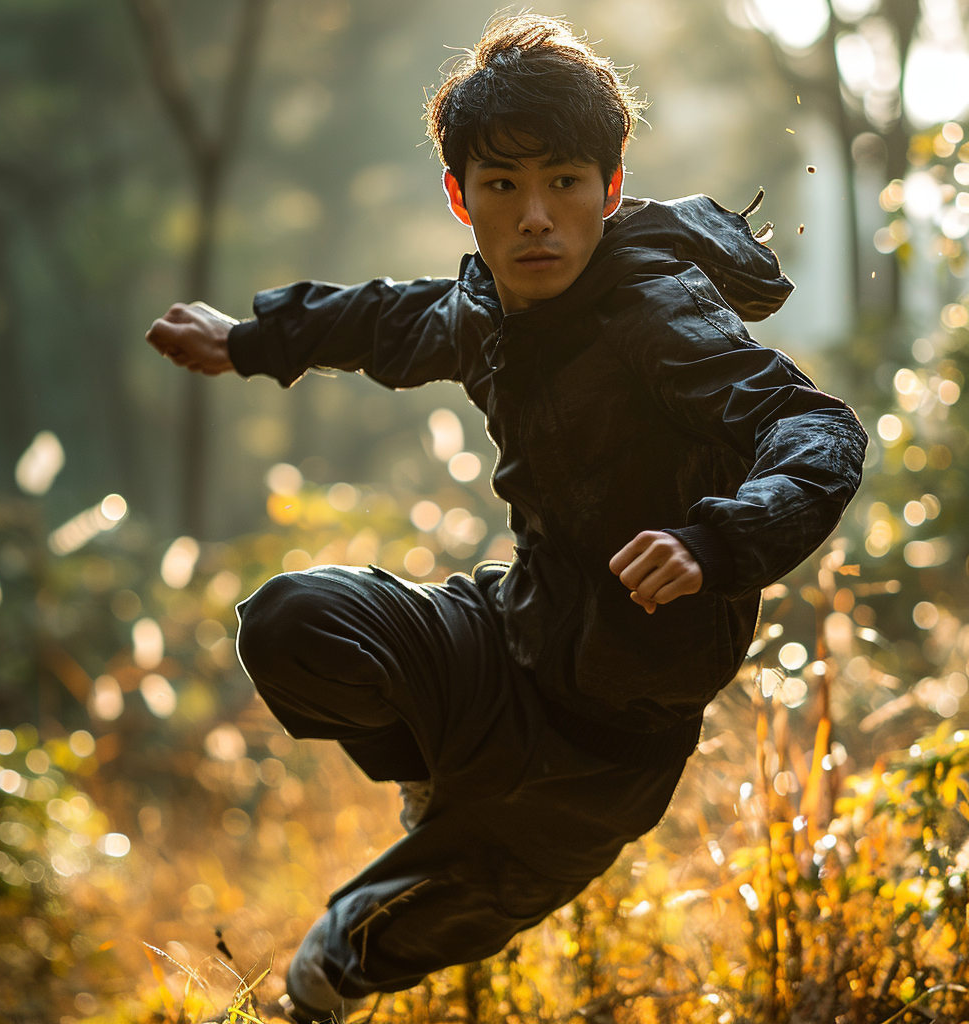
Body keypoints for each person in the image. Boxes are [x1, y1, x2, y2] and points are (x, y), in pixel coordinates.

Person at [145, 14, 868, 1022]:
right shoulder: (488, 300)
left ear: (609, 190)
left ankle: (386, 916)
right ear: (461, 198)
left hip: (610, 744)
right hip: (504, 643)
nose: (535, 217)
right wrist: (254, 338)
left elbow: (811, 425)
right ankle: (433, 787)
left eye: (564, 183)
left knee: (349, 956)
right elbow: (397, 318)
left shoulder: (657, 315)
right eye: (502, 188)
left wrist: (717, 540)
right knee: (287, 621)